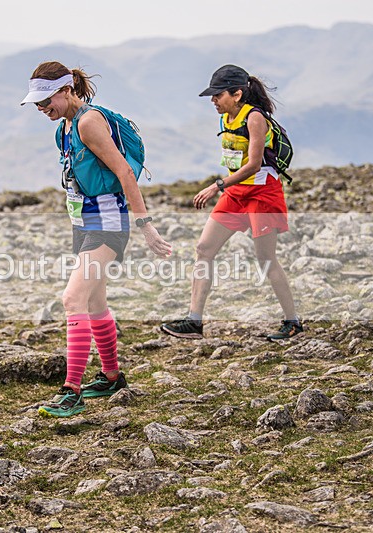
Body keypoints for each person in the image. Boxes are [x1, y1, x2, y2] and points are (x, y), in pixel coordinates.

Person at [20, 61, 173, 417]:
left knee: (72, 298)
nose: (43, 109)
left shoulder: (89, 122)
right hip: (86, 223)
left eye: (47, 100)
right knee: (93, 303)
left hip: (107, 223)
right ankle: (111, 376)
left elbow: (122, 171)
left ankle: (70, 391)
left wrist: (145, 224)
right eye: (37, 103)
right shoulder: (65, 127)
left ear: (67, 90)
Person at [160, 64, 302, 341]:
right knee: (204, 249)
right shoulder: (226, 118)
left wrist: (216, 185)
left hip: (262, 193)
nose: (213, 100)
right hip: (236, 193)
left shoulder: (255, 118)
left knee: (265, 258)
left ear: (237, 94)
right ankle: (194, 322)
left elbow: (254, 164)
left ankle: (293, 322)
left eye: (218, 95)